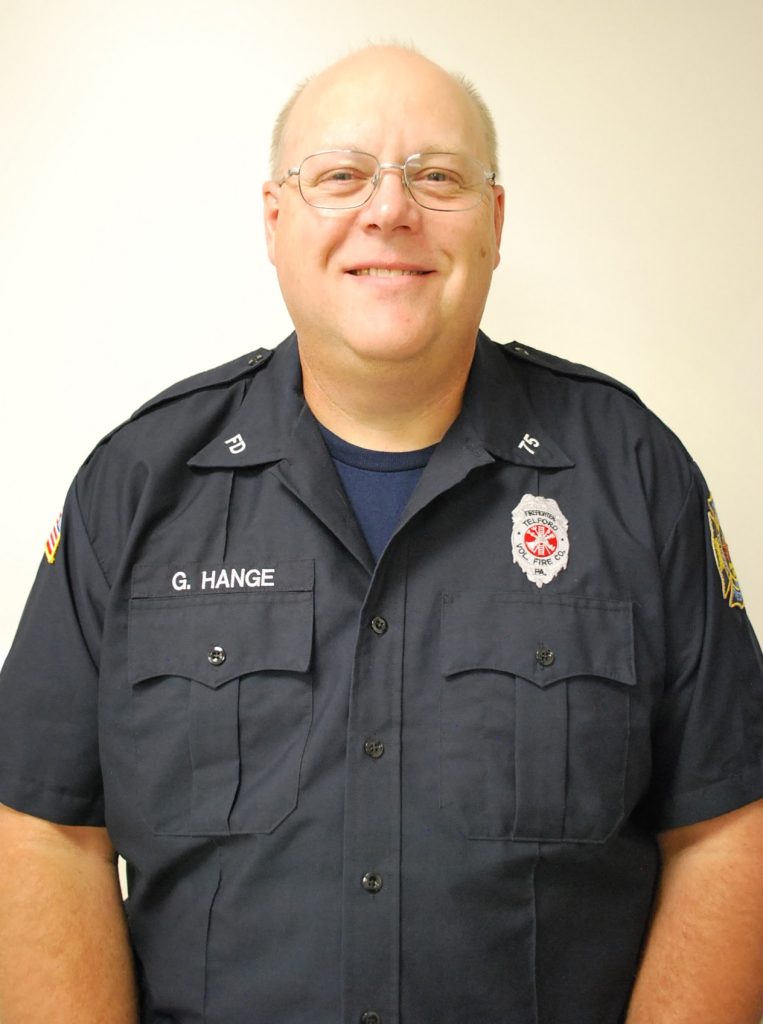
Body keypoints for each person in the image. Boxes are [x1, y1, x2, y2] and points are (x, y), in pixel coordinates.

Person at [0, 44, 762, 1024]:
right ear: (275, 220)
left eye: (435, 176)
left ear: (493, 221)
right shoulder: (139, 483)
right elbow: (42, 830)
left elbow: (727, 829)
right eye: (341, 175)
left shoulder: (632, 472)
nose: (388, 210)